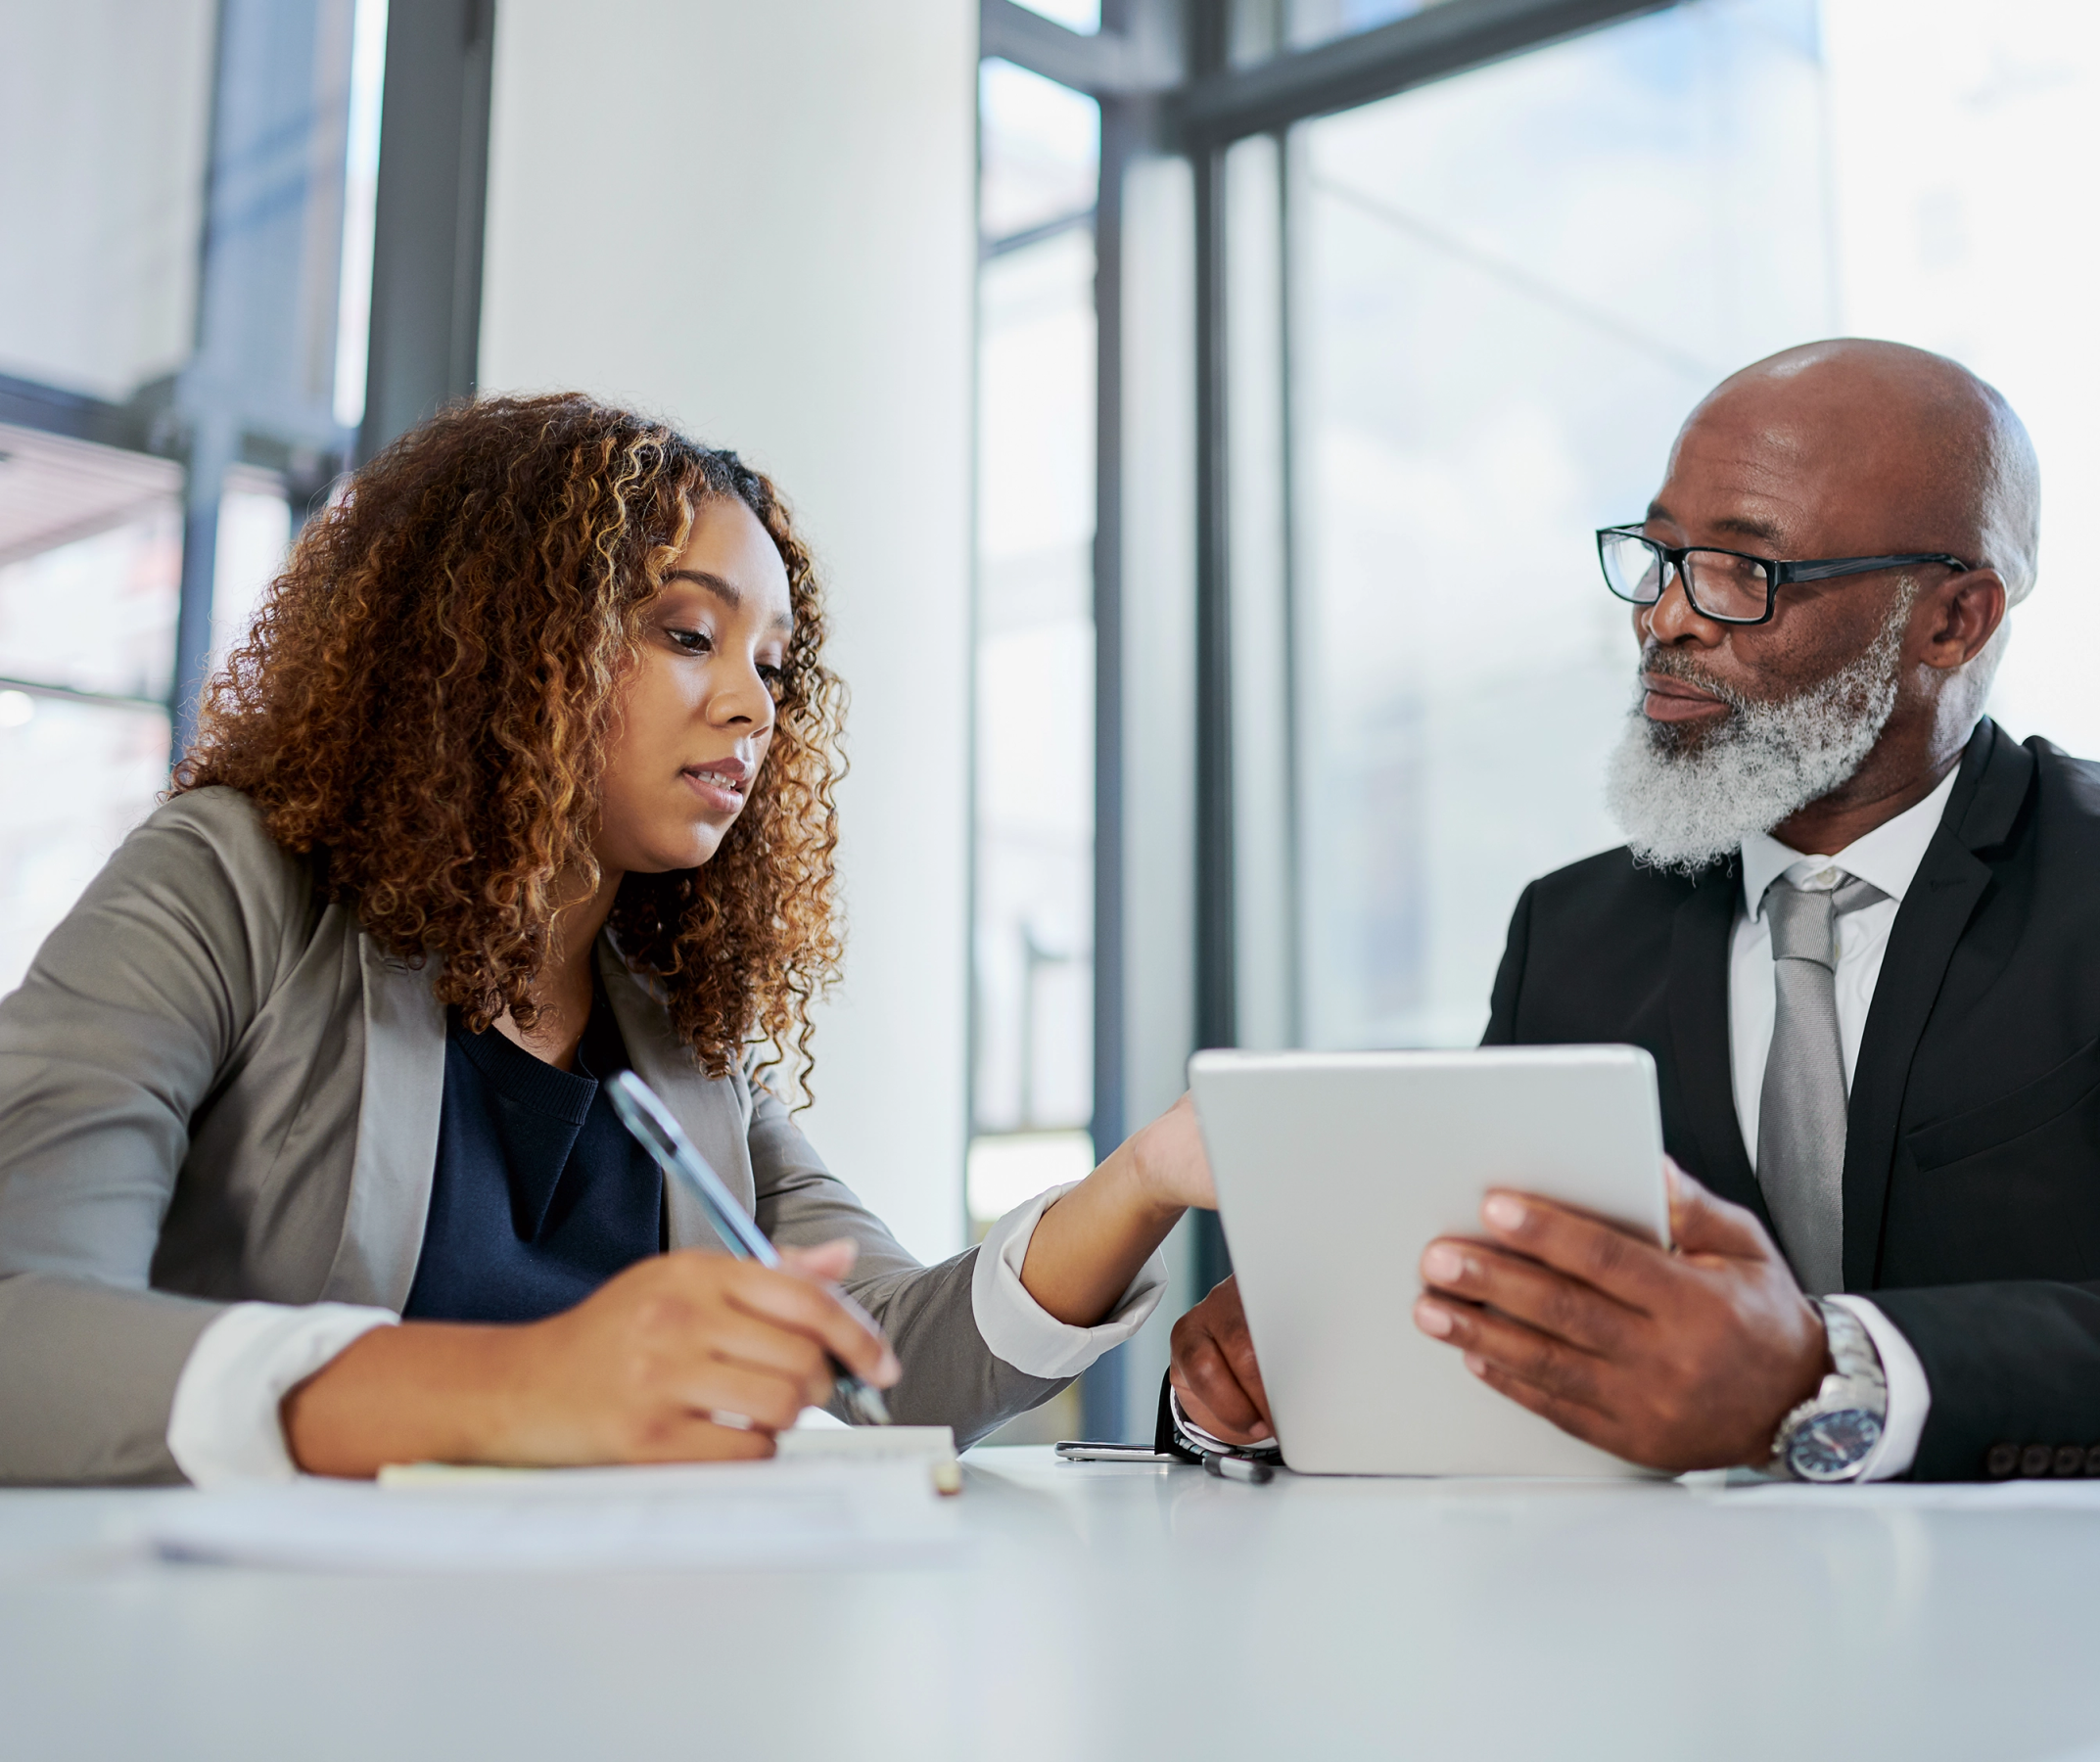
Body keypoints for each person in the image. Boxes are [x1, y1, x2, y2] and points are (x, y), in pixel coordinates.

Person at [1167, 339, 2100, 1482]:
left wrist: (1827, 1375)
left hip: (2092, 1648)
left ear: (1955, 620)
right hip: (1680, 1650)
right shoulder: (1570, 936)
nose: (1665, 617)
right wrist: (1285, 1379)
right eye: (1660, 554)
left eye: (1747, 571)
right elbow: (1492, 1323)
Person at [0, 394, 1207, 1486]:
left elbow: (890, 1362)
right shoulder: (229, 885)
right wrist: (523, 1390)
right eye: (688, 634)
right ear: (505, 642)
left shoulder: (676, 1033)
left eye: (773, 666)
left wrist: (1146, 1178)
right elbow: (25, 1324)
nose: (751, 705)